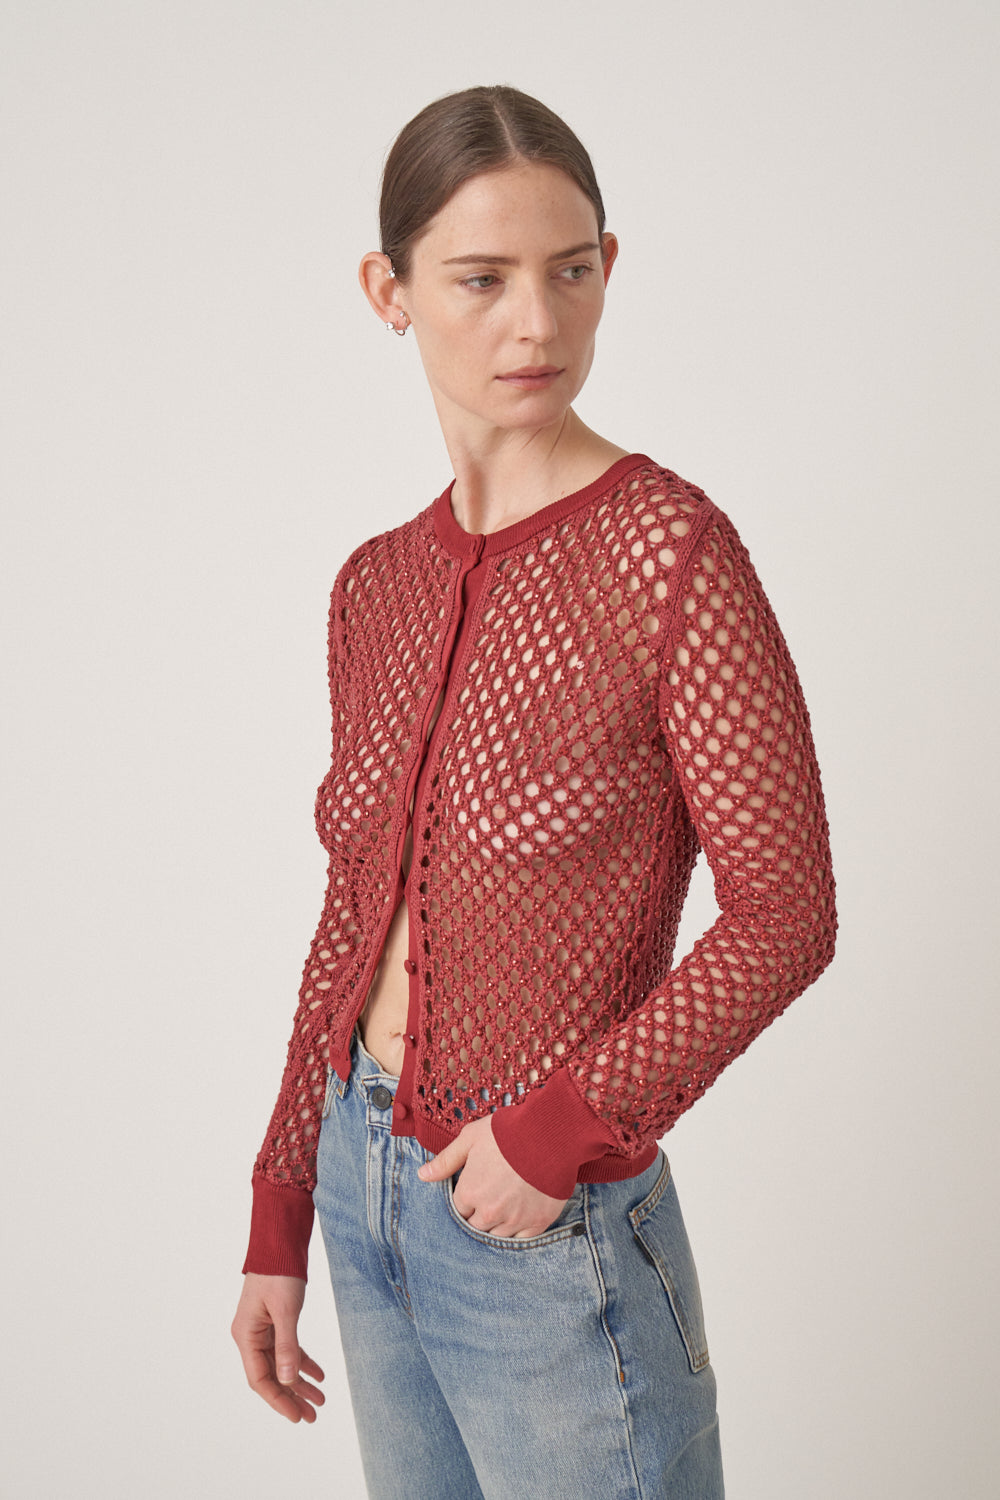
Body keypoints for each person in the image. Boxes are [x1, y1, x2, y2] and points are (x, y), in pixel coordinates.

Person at [231, 84, 837, 1498]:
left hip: (542, 1220)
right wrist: (282, 1202)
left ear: (608, 267)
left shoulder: (667, 556)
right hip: (362, 1186)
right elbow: (351, 919)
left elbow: (787, 913)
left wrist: (558, 1128)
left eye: (570, 272)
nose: (536, 323)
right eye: (481, 279)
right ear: (389, 291)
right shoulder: (377, 586)